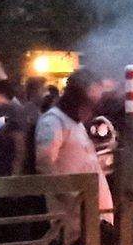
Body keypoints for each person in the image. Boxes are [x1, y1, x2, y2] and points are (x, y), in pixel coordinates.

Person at [37, 69, 117, 222]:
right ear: (77, 98)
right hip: (74, 223)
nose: (94, 108)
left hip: (92, 219)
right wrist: (74, 201)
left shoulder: (75, 123)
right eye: (92, 101)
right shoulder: (53, 122)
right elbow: (45, 165)